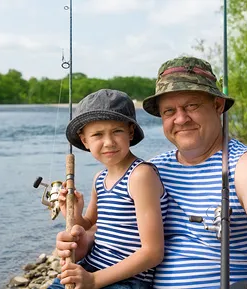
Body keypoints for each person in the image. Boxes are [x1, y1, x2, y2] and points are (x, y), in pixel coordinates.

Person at [54, 57, 247, 288]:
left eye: (192, 106)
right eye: (169, 111)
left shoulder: (246, 166)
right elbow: (118, 230)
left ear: (218, 105)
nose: (181, 119)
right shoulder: (153, 168)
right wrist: (83, 241)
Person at [49, 88, 169, 289]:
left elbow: (153, 252)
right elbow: (88, 225)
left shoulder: (140, 175)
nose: (108, 142)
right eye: (97, 134)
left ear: (130, 132)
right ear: (85, 141)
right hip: (90, 267)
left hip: (128, 280)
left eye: (117, 131)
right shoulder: (100, 178)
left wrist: (94, 281)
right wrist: (74, 213)